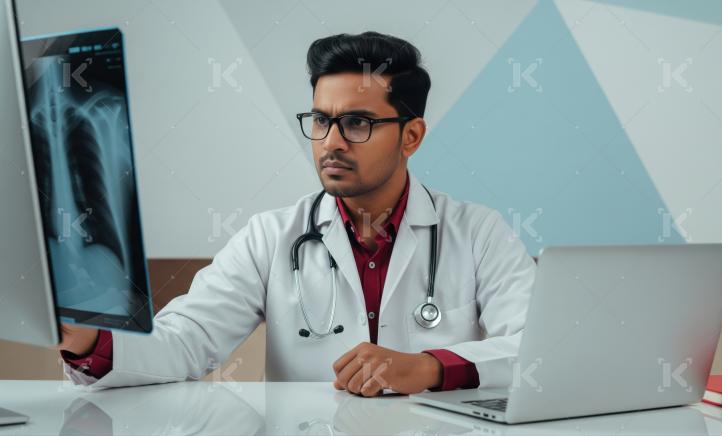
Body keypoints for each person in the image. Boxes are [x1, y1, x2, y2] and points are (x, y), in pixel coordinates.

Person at [58, 31, 537, 396]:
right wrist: (86, 340)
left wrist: (429, 366)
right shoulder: (271, 236)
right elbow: (188, 340)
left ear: (411, 136)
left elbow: (536, 350)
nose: (330, 141)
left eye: (357, 123)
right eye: (321, 120)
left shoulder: (477, 233)